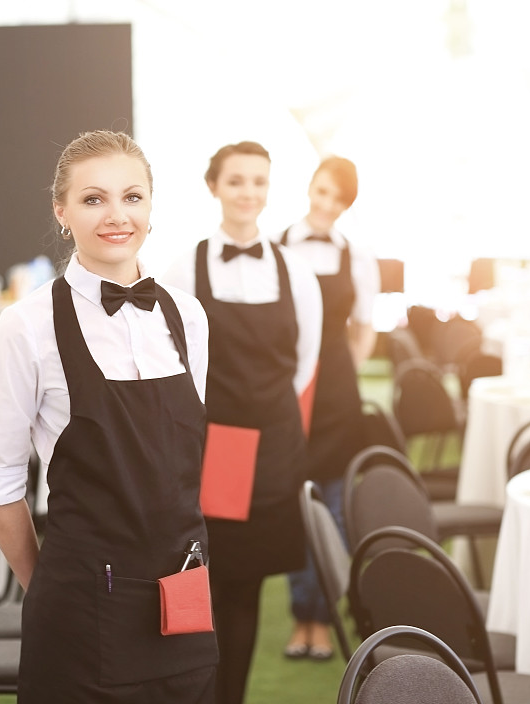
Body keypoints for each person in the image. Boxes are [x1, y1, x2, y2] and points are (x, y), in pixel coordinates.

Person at [0, 130, 219, 702]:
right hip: (78, 615)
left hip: (183, 597)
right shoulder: (27, 325)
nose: (116, 215)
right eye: (93, 199)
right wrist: (52, 586)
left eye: (132, 197)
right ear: (62, 212)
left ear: (151, 208)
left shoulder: (189, 317)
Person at [163, 141, 322, 704]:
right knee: (212, 579)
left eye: (258, 181)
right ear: (214, 187)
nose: (248, 192)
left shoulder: (297, 271)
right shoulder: (185, 266)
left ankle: (232, 697)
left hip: (274, 442)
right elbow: (172, 360)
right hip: (218, 444)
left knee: (249, 584)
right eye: (236, 181)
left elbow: (305, 363)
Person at [277, 156, 380, 661]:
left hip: (338, 390)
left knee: (336, 506)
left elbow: (365, 324)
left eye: (337, 199)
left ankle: (325, 617)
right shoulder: (276, 247)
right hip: (291, 388)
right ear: (310, 189)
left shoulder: (356, 255)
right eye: (322, 192)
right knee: (298, 502)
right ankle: (301, 617)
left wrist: (347, 370)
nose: (326, 205)